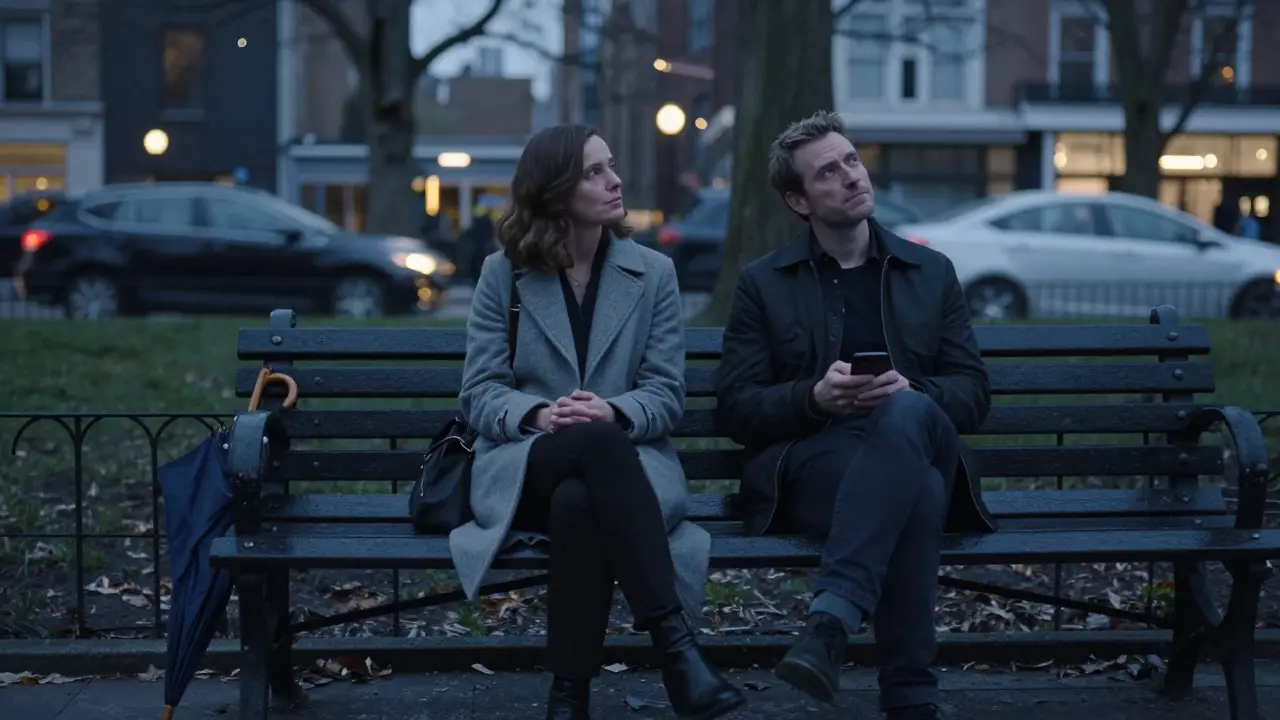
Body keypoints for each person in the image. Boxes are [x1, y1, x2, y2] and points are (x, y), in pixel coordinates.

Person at [454, 123, 746, 720]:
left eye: (610, 165)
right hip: (527, 465)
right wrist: (541, 413)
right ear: (555, 189)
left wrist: (613, 410)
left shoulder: (653, 274)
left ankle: (568, 696)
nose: (615, 180)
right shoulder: (503, 273)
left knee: (579, 502)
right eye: (594, 172)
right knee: (588, 447)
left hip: (622, 470)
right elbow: (479, 393)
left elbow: (666, 394)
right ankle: (676, 649)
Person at [714, 110, 997, 720]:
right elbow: (735, 407)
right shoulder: (765, 283)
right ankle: (911, 698)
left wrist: (913, 389)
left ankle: (828, 625)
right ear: (799, 201)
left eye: (851, 160)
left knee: (907, 414)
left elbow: (973, 393)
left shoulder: (930, 272)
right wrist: (813, 399)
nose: (850, 176)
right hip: (822, 463)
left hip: (923, 438)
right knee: (917, 491)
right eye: (827, 172)